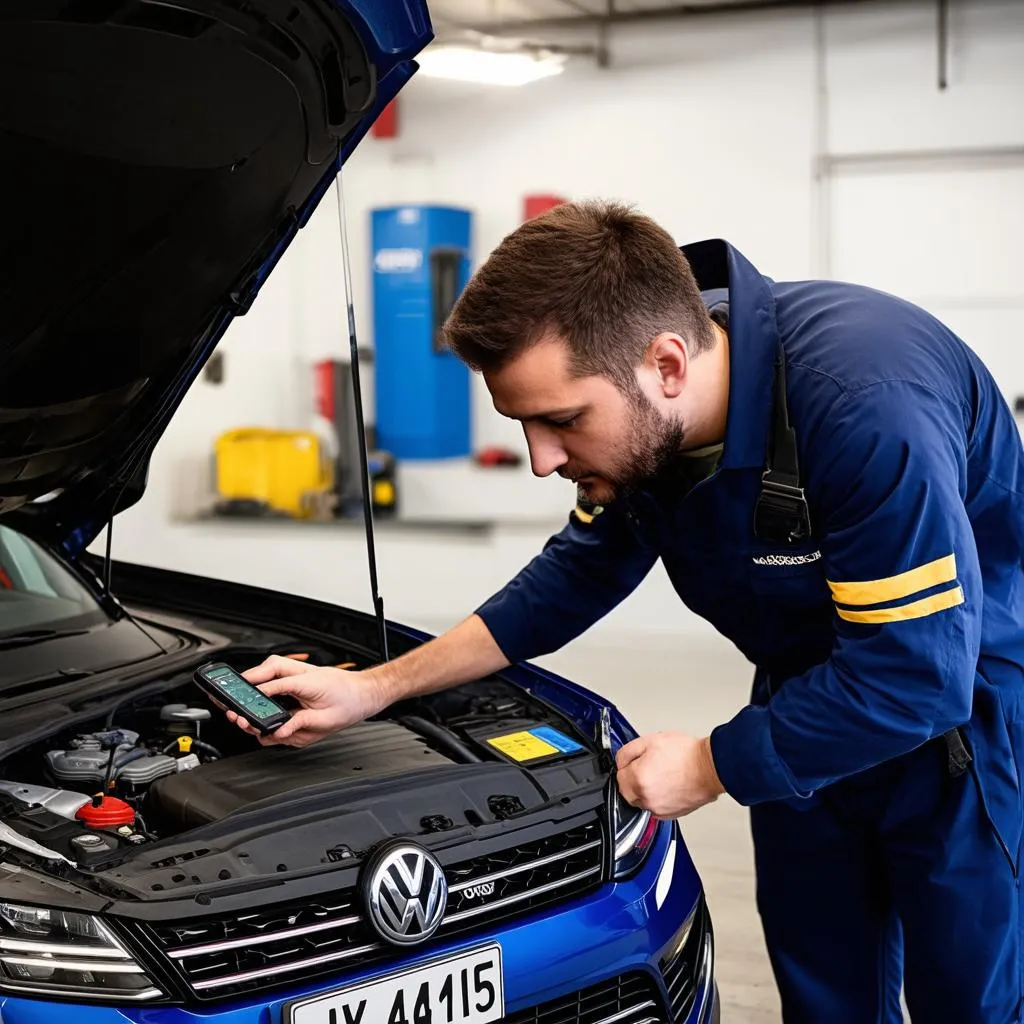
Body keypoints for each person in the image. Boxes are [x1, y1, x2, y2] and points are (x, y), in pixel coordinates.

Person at [227, 201, 1024, 1023]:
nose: (542, 461)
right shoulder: (651, 429)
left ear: (668, 364)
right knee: (823, 987)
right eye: (523, 425)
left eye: (562, 420)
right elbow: (569, 580)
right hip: (803, 699)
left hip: (958, 725)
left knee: (966, 996)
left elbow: (919, 677)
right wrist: (376, 687)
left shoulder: (862, 400)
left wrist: (712, 765)